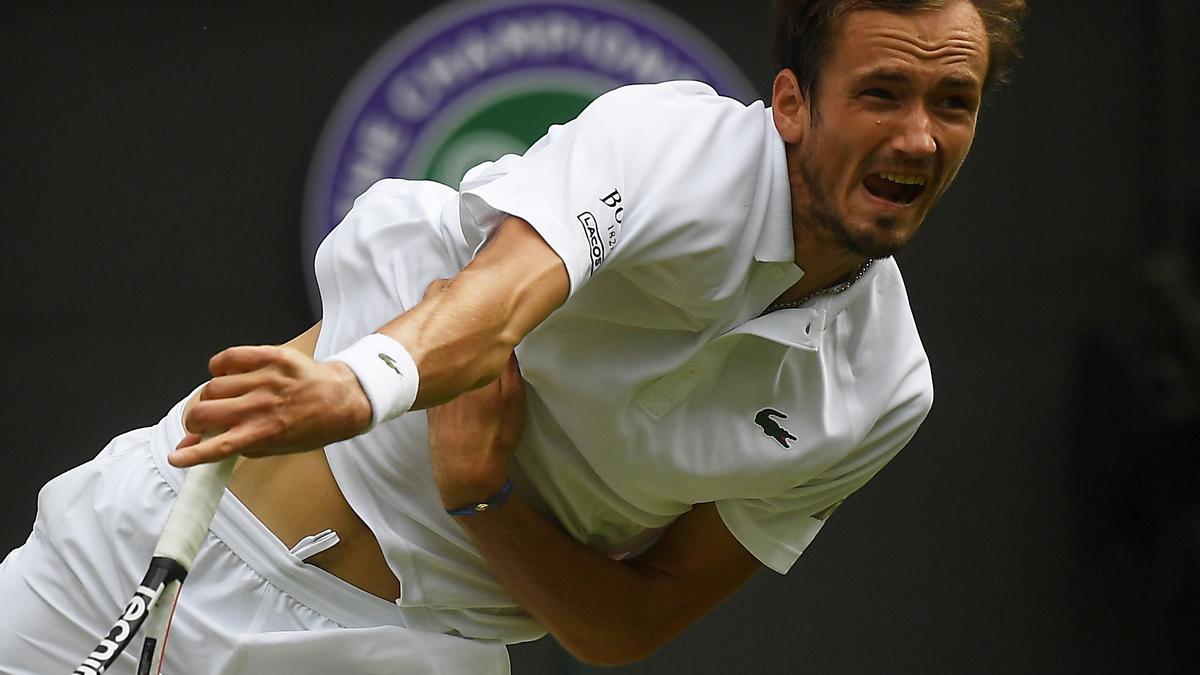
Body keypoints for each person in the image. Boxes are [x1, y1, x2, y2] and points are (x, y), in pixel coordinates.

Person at [0, 0, 1027, 672]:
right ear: (793, 106)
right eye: (883, 94)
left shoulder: (884, 391)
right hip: (151, 540)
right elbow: (496, 300)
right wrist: (358, 390)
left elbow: (626, 624)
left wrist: (484, 498)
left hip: (404, 654)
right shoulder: (672, 143)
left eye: (955, 103)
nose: (919, 138)